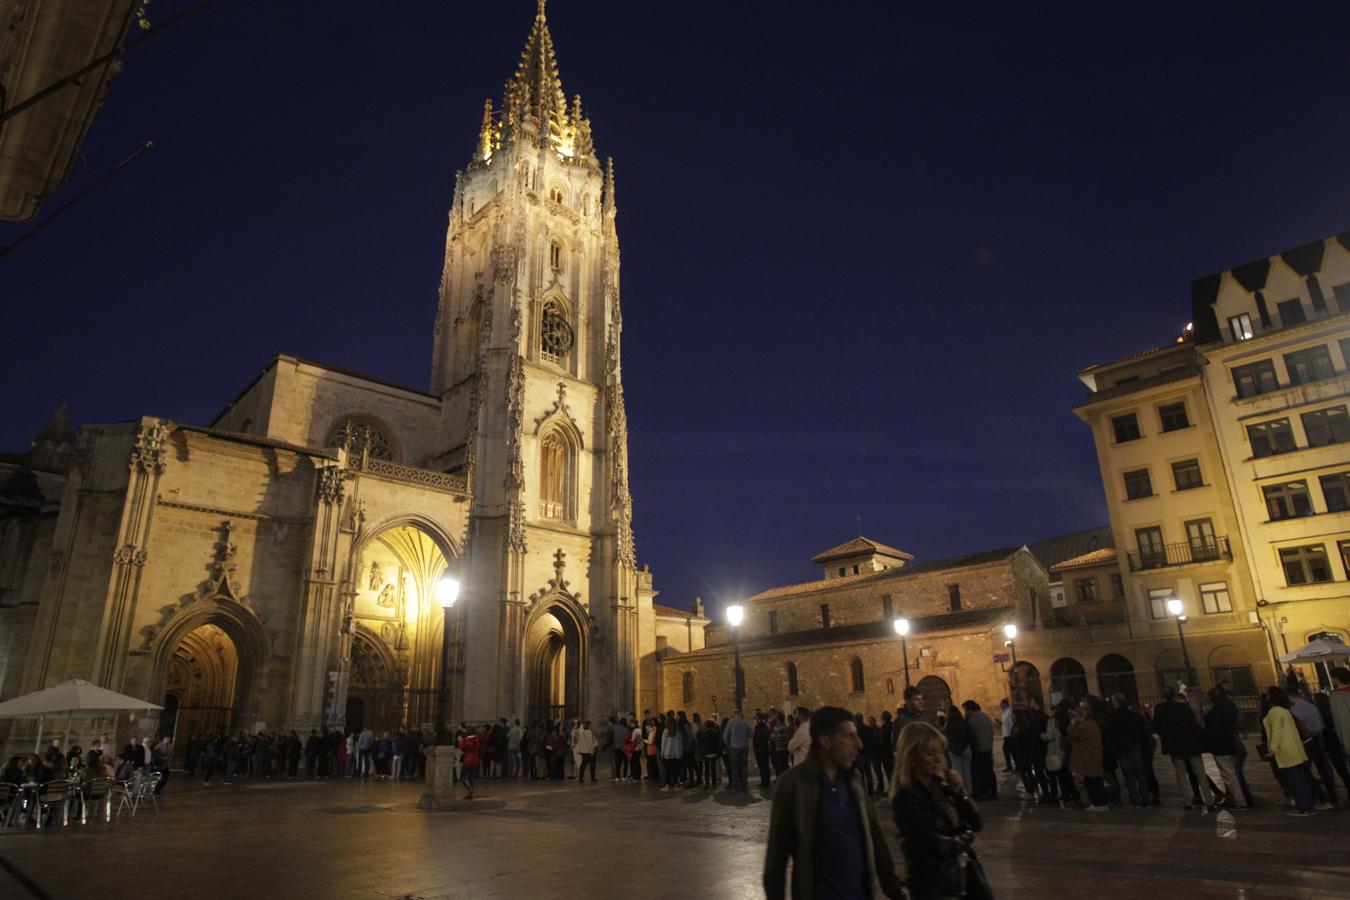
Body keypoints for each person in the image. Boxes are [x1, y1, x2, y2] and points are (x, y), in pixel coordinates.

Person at [764, 706, 904, 900]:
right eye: (850, 737)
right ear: (826, 742)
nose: (859, 744)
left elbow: (874, 838)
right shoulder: (793, 785)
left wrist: (894, 890)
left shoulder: (853, 779)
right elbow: (776, 861)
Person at [890, 721, 984, 899]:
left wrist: (959, 794)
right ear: (912, 757)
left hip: (958, 882)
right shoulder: (906, 797)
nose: (938, 759)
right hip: (932, 888)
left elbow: (976, 822)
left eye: (940, 752)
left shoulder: (940, 786)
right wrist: (966, 837)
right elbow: (934, 844)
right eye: (930, 753)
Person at [1151, 686, 1214, 810]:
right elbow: (1193, 724)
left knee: (1180, 774)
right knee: (1200, 772)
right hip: (1191, 744)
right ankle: (1209, 801)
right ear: (1174, 694)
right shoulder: (1184, 707)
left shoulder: (1159, 708)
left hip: (1174, 746)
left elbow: (1156, 726)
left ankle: (1187, 802)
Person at [1264, 686, 1314, 816]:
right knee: (1302, 779)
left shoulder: (1274, 712)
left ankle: (1302, 807)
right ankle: (1309, 805)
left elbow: (1276, 731)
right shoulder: (1285, 711)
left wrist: (1273, 749)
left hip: (1285, 751)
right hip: (1295, 749)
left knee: (1294, 781)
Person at [1291, 690, 1339, 809]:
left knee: (1305, 771)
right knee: (1324, 769)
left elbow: (1301, 727)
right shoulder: (1312, 706)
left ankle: (1319, 797)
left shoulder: (1295, 710)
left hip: (1307, 742)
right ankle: (1332, 797)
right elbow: (1321, 724)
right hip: (1319, 738)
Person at [1068, 699, 1108, 811]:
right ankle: (1102, 803)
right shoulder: (1093, 724)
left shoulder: (1083, 727)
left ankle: (1096, 804)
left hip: (1087, 758)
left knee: (1091, 782)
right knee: (1097, 781)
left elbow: (1071, 735)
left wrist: (1073, 724)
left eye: (1078, 716)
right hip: (1094, 756)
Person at [963, 700, 996, 801]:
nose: (965, 713)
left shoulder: (973, 720)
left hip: (979, 750)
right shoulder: (985, 717)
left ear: (969, 710)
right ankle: (993, 793)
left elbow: (968, 734)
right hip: (988, 748)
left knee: (981, 773)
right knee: (989, 772)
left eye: (965, 710)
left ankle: (984, 793)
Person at [942, 705, 974, 797]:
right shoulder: (964, 722)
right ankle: (970, 791)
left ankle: (961, 791)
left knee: (958, 771)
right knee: (967, 771)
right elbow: (970, 734)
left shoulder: (948, 724)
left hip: (954, 749)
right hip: (965, 747)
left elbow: (946, 737)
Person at [458, 727, 480, 800]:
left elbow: (463, 748)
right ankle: (470, 795)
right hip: (475, 760)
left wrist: (460, 741)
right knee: (471, 778)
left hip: (468, 760)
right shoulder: (477, 739)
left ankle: (470, 789)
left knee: (463, 777)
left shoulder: (467, 739)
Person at [754, 712, 773, 788]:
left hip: (761, 749)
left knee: (763, 766)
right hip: (763, 748)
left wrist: (758, 747)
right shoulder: (764, 726)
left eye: (756, 717)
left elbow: (758, 737)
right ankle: (765, 781)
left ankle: (765, 782)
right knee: (764, 766)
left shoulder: (760, 726)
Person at [999, 698, 1014, 773]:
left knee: (1007, 750)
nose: (1000, 706)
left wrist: (1012, 733)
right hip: (1006, 734)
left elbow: (1011, 723)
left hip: (1009, 734)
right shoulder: (1004, 712)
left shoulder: (1009, 711)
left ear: (1005, 704)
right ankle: (1009, 766)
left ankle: (1011, 766)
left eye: (1001, 704)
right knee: (1008, 750)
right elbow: (1005, 722)